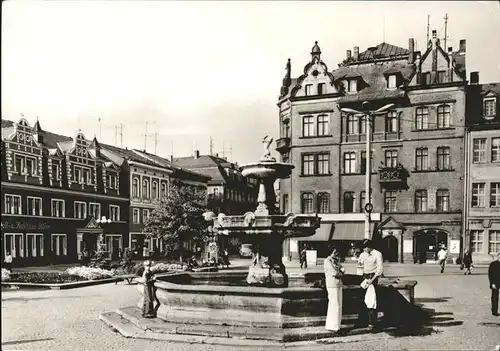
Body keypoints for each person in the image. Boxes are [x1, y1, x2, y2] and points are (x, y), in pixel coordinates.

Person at [358, 239, 384, 330]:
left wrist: (372, 280)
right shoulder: (363, 254)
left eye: (366, 248)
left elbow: (380, 269)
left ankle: (372, 322)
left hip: (372, 278)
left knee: (372, 301)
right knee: (362, 299)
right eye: (363, 248)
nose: (364, 250)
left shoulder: (377, 254)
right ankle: (362, 321)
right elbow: (359, 265)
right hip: (364, 278)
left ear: (370, 246)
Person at [324, 247, 345, 335]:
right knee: (334, 305)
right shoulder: (327, 261)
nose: (336, 253)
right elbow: (335, 273)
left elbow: (342, 269)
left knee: (339, 305)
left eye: (336, 251)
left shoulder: (335, 261)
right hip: (332, 285)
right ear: (330, 252)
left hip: (338, 284)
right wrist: (341, 273)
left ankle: (337, 326)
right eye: (334, 252)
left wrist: (341, 272)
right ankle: (333, 326)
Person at [488, 252, 500, 316]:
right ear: (497, 257)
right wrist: (492, 283)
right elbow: (490, 275)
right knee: (495, 297)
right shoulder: (493, 264)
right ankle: (494, 311)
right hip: (495, 283)